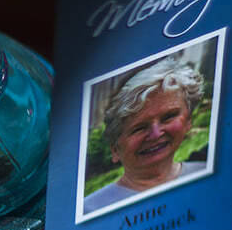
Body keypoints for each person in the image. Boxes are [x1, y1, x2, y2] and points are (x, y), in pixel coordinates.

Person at [84, 58, 205, 214]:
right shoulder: (90, 209)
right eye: (139, 128)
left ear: (188, 121)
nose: (155, 134)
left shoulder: (209, 171)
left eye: (168, 117)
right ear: (115, 149)